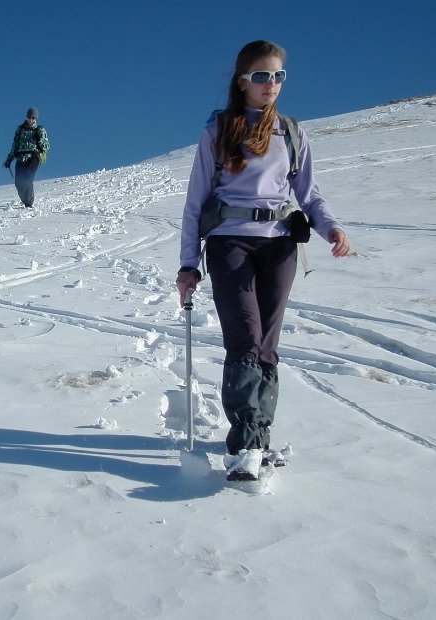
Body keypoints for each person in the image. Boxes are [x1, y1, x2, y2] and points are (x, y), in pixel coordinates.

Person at [176, 40, 350, 481]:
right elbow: (196, 202)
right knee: (246, 337)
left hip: (279, 246)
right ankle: (245, 445)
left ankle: (260, 435)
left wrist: (330, 226)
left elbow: (309, 194)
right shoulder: (218, 132)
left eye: (277, 76)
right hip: (229, 242)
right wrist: (188, 265)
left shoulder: (291, 133)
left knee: (267, 343)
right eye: (261, 76)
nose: (270, 84)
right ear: (242, 81)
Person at [4, 107, 50, 208]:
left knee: (27, 180)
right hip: (20, 157)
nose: (31, 119)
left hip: (34, 157)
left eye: (33, 118)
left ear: (36, 119)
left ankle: (29, 203)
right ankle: (25, 200)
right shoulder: (20, 129)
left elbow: (46, 146)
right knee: (18, 183)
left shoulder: (39, 130)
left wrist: (40, 141)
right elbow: (15, 144)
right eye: (29, 117)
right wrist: (9, 158)